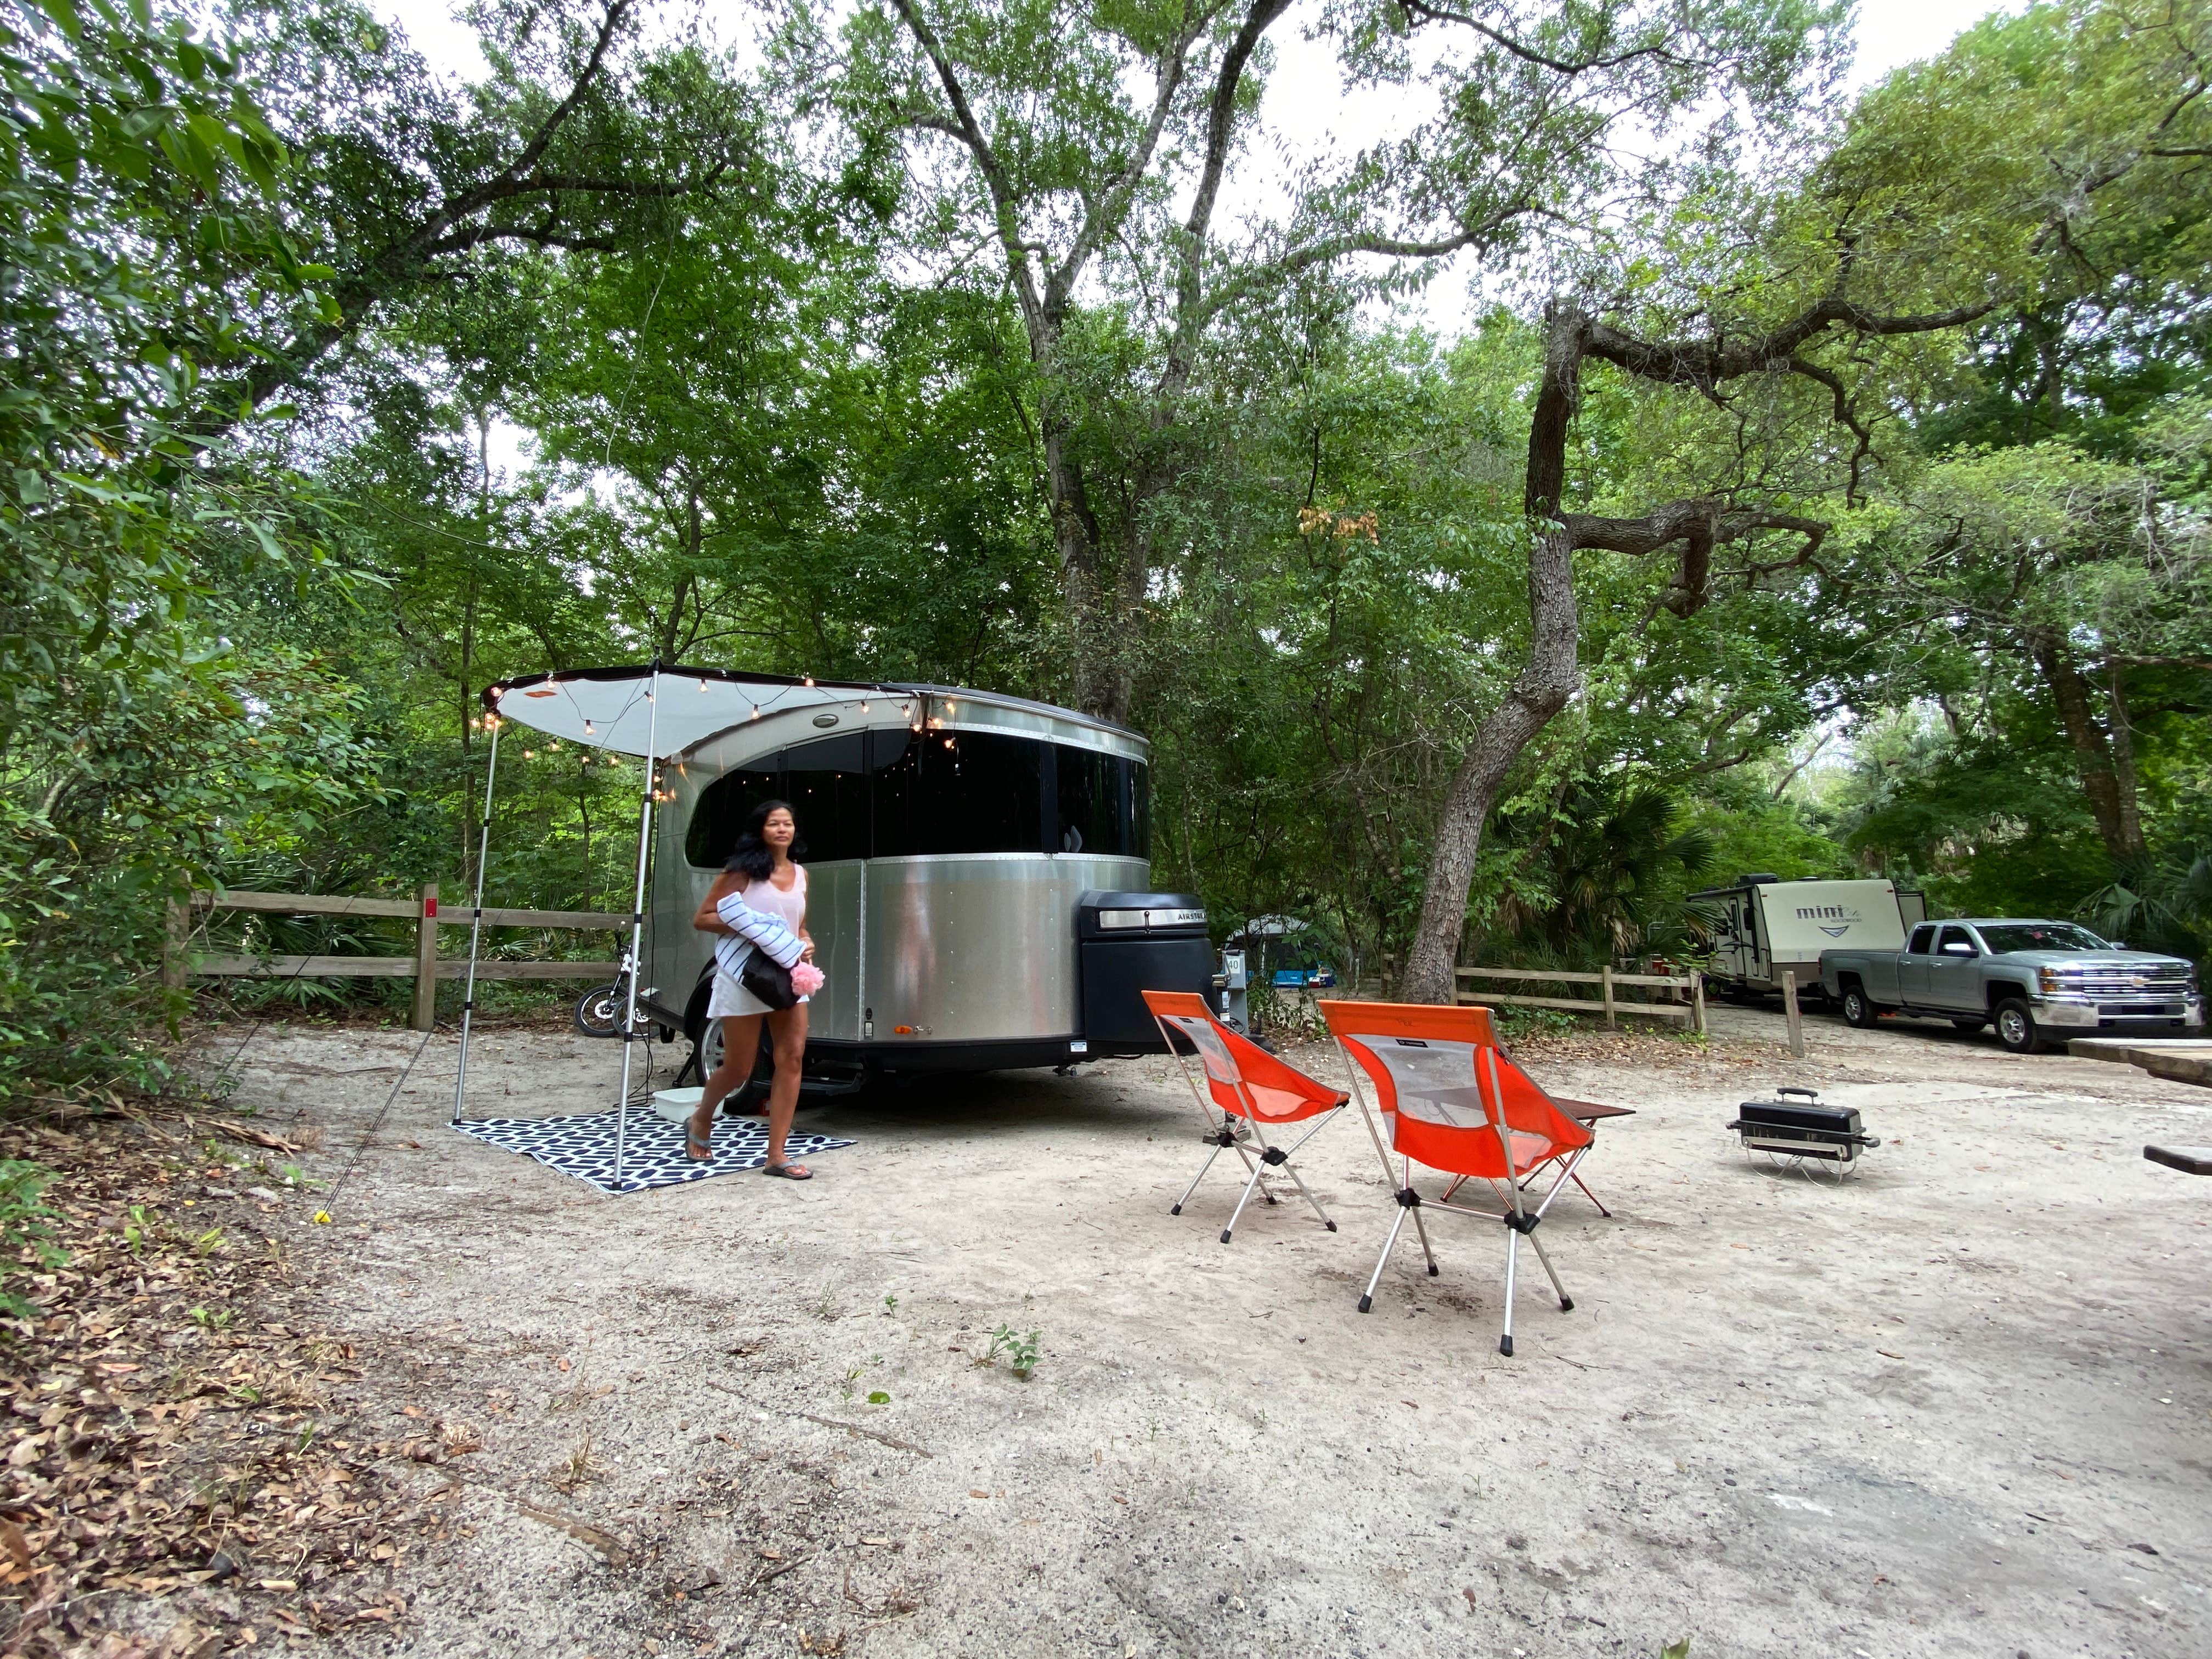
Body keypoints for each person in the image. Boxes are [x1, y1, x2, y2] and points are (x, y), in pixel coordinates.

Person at [689, 799, 816, 1177]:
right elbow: (704, 918)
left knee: (792, 1058)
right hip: (745, 972)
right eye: (774, 823)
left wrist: (806, 941)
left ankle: (777, 1155)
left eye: (788, 824)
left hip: (788, 973)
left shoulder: (802, 874)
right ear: (761, 830)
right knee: (739, 1068)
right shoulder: (742, 871)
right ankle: (701, 1118)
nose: (782, 829)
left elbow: (800, 925)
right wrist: (753, 929)